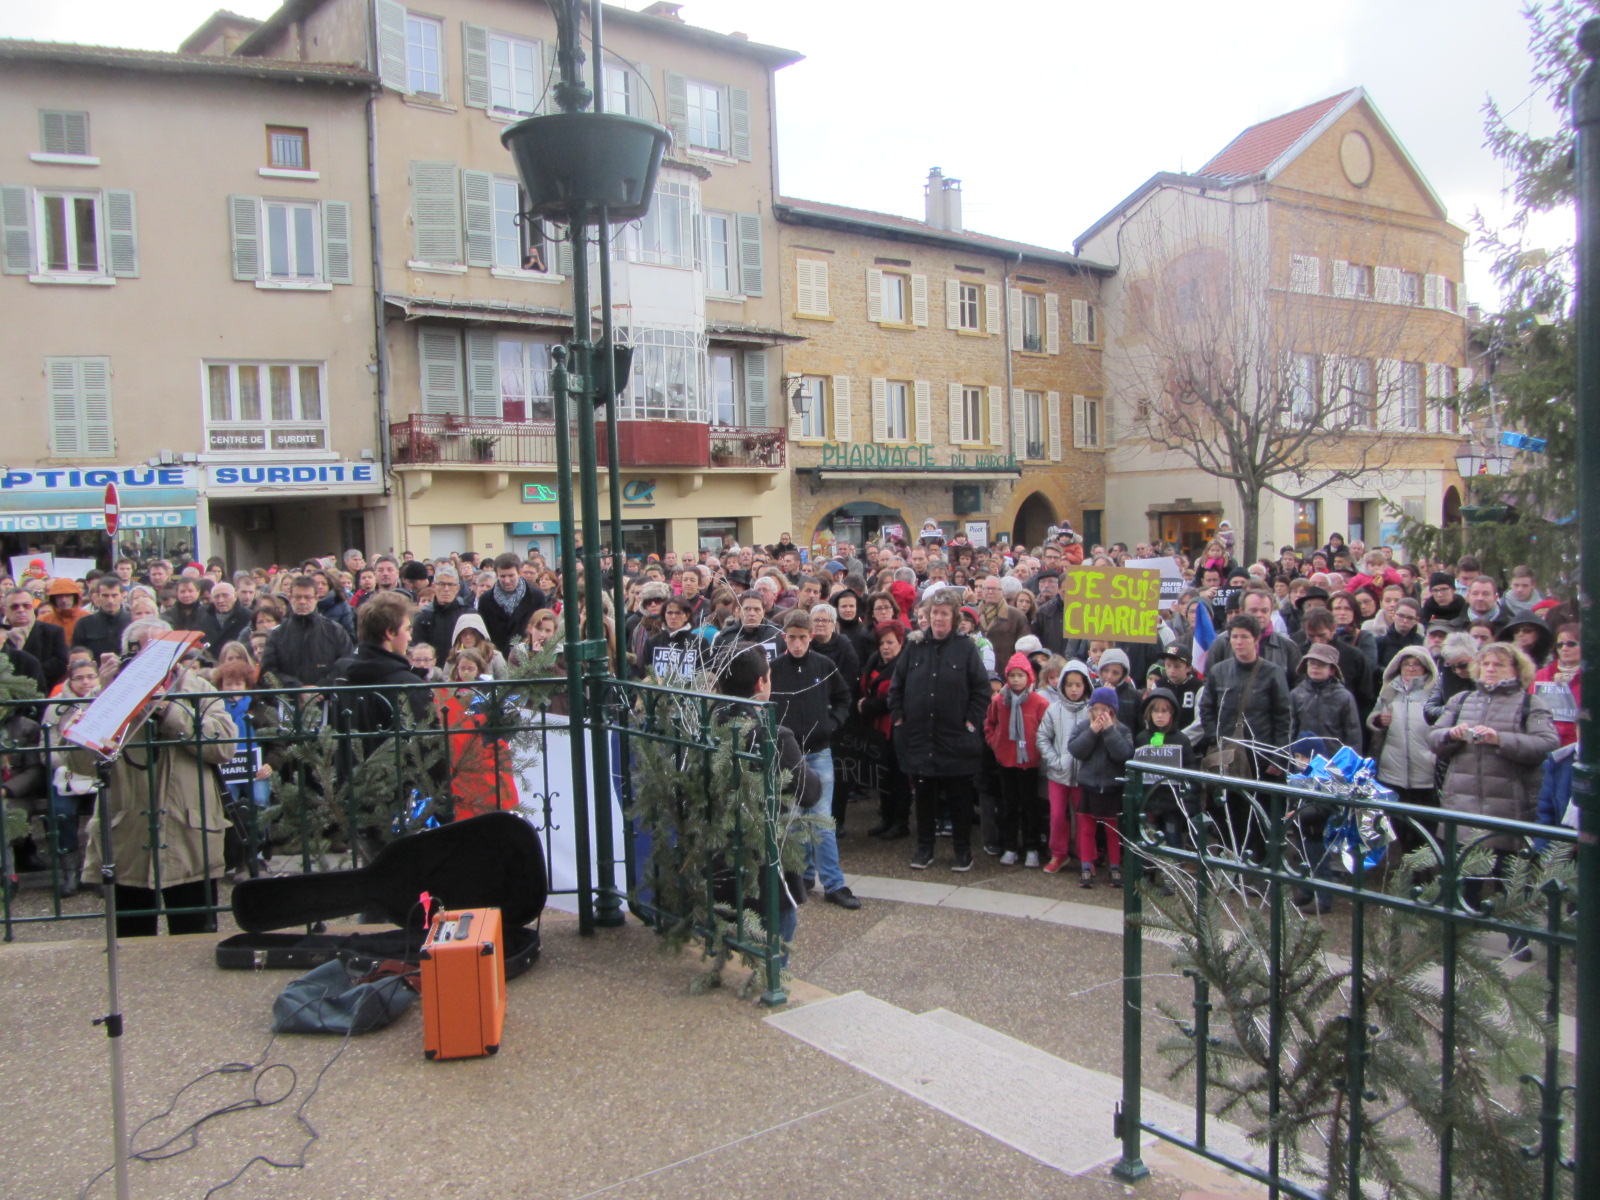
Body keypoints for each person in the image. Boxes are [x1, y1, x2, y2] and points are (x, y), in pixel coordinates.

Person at [62, 630, 238, 936]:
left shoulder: (198, 689)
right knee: (131, 940)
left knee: (193, 939)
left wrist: (168, 711)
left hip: (189, 836)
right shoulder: (111, 692)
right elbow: (79, 763)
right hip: (128, 836)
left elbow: (224, 747)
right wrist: (107, 695)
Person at [1427, 641, 1559, 956]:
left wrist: (1502, 740)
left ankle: (1516, 937)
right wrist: (1451, 735)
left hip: (1509, 805)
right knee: (1465, 876)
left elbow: (1547, 743)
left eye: (1498, 664)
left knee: (1510, 877)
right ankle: (1455, 936)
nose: (1489, 669)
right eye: (1485, 663)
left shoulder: (1530, 704)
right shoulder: (1461, 700)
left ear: (1516, 670)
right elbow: (1433, 737)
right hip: (1463, 802)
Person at [891, 588, 989, 872]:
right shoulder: (915, 646)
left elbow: (981, 690)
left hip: (955, 738)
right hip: (920, 738)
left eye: (944, 613)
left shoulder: (966, 648)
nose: (938, 618)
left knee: (959, 799)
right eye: (934, 613)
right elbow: (896, 686)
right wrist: (899, 718)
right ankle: (925, 848)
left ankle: (962, 851)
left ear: (954, 617)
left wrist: (971, 721)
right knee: (923, 799)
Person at [767, 610, 857, 909]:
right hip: (786, 755)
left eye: (802, 638)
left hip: (818, 752)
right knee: (791, 820)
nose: (797, 644)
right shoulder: (773, 669)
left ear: (811, 638)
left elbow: (844, 697)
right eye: (791, 638)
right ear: (784, 638)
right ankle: (801, 874)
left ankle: (834, 883)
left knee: (821, 821)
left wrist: (831, 724)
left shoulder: (825, 664)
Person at [984, 652, 1051, 867]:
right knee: (1009, 805)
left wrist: (1038, 750)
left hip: (1029, 762)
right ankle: (1010, 846)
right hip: (1006, 760)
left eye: (1020, 675)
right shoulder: (998, 701)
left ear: (1029, 677)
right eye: (1012, 675)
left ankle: (1032, 847)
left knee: (1030, 806)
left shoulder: (1039, 702)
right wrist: (995, 742)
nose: (1015, 679)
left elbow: (1046, 730)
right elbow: (990, 725)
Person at [1367, 646, 1439, 847]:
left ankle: (1424, 874)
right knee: (1399, 827)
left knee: (1425, 831)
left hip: (1425, 773)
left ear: (1426, 668)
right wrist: (1379, 720)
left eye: (1417, 664)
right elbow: (1373, 718)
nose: (1411, 668)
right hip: (1393, 772)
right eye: (1407, 664)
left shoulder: (1434, 695)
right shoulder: (1390, 691)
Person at [1068, 686, 1134, 888]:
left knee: (1112, 831)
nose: (1099, 714)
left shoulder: (1122, 730)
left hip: (1112, 788)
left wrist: (1109, 732)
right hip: (1089, 786)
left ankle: (1115, 867)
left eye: (1105, 709)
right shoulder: (1082, 727)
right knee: (1086, 830)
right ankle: (1086, 866)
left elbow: (1124, 755)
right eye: (1096, 709)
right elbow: (1076, 750)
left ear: (1112, 711)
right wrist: (1092, 731)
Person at [1036, 659, 1093, 874]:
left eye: (1078, 685)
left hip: (1084, 776)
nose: (1074, 689)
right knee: (1058, 815)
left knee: (1084, 818)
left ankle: (1086, 855)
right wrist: (1054, 760)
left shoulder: (1092, 709)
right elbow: (1043, 738)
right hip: (1058, 773)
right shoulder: (1054, 710)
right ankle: (1059, 854)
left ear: (1086, 685)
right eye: (1069, 685)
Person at [259, 574, 354, 687]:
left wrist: (322, 688)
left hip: (328, 699)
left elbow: (346, 666)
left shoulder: (335, 631)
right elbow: (269, 671)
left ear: (316, 598)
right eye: (297, 597)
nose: (302, 602)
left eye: (307, 597)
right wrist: (297, 688)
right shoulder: (277, 634)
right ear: (290, 598)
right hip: (291, 700)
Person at [1133, 687, 1197, 852]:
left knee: (1173, 837)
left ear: (1173, 714)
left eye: (1165, 711)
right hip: (1149, 800)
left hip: (1173, 803)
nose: (1160, 715)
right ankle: (1148, 873)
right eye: (1155, 711)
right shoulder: (1142, 738)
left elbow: (1190, 772)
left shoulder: (1182, 740)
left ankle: (1173, 871)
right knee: (1149, 838)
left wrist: (1188, 802)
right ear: (1149, 713)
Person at [1289, 642, 1363, 758]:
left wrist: (1350, 763)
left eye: (1322, 664)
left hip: (1333, 760)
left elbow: (1353, 736)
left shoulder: (1344, 697)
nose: (1315, 667)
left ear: (1332, 670)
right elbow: (1291, 731)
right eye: (1312, 663)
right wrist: (1290, 757)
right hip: (1303, 759)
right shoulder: (1296, 694)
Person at [476, 552, 546, 656]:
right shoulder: (485, 600)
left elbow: (541, 628)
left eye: (511, 575)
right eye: (502, 576)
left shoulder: (537, 597)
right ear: (496, 574)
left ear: (519, 572)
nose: (507, 580)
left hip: (527, 656)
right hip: (496, 657)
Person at [4, 587, 67, 692]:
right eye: (14, 606)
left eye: (26, 605)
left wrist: (31, 674)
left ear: (33, 607)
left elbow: (60, 663)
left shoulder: (53, 632)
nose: (21, 610)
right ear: (5, 610)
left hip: (43, 692)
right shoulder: (1, 634)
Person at [1531, 622, 1581, 747]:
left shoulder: (1594, 676)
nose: (1564, 648)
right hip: (1547, 742)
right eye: (1560, 645)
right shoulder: (1541, 675)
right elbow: (1533, 710)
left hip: (1581, 744)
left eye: (1571, 644)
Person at [71, 577, 133, 664]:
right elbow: (77, 655)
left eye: (114, 595)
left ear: (122, 595)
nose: (110, 600)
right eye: (105, 596)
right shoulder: (84, 624)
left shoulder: (133, 622)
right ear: (97, 597)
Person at [37, 577, 88, 645]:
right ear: (53, 598)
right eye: (59, 596)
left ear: (75, 597)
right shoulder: (42, 620)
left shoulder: (87, 618)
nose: (64, 600)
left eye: (68, 596)